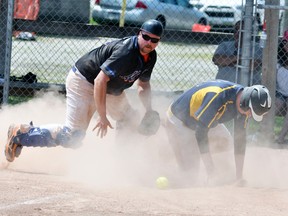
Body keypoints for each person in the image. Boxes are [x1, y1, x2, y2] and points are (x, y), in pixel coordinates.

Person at [5, 19, 164, 162]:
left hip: (110, 90)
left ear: (158, 42)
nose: (149, 42)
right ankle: (21, 134)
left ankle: (121, 161)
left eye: (154, 40)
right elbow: (99, 81)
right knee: (72, 137)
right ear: (139, 34)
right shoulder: (126, 52)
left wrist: (149, 110)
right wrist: (102, 116)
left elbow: (143, 85)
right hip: (84, 82)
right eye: (146, 37)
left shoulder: (151, 57)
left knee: (130, 118)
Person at [164, 80, 271, 184]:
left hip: (204, 120)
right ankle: (170, 154)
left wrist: (239, 177)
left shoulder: (243, 107)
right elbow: (200, 133)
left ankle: (214, 169)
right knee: (190, 176)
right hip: (180, 120)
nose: (250, 116)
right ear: (245, 102)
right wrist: (210, 171)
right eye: (252, 112)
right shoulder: (218, 96)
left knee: (225, 143)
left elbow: (240, 140)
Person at [212, 20, 263, 85]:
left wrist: (228, 62)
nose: (237, 33)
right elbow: (217, 60)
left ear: (250, 32)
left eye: (242, 30)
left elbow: (252, 65)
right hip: (223, 86)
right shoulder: (224, 45)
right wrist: (240, 58)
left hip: (248, 88)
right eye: (236, 30)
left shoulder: (257, 47)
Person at [275, 31, 288, 144]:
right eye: (285, 42)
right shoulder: (277, 59)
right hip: (280, 93)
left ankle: (280, 138)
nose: (287, 45)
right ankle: (264, 133)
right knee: (277, 103)